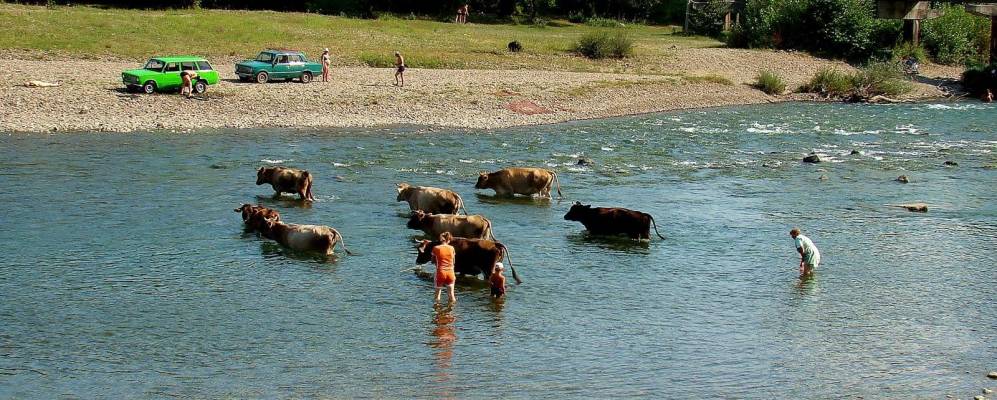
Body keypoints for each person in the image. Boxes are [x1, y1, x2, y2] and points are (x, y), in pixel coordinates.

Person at [432, 232, 457, 304]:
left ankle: (438, 313)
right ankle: (451, 312)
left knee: (437, 297)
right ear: (448, 239)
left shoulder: (436, 248)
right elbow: (454, 262)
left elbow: (433, 260)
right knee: (451, 296)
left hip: (440, 272)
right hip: (451, 273)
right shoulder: (452, 248)